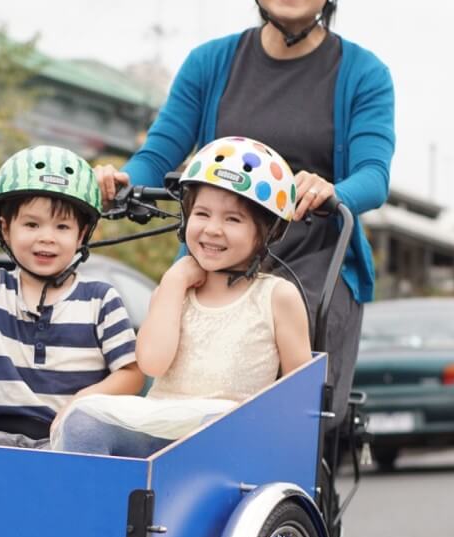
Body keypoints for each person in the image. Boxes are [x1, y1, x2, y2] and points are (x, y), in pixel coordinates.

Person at [94, 0, 395, 432]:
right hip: (214, 251)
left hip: (314, 261)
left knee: (296, 422)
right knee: (166, 394)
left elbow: (374, 175)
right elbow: (161, 152)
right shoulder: (211, 62)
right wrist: (120, 181)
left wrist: (333, 191)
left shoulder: (363, 73)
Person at [52, 138, 311, 457]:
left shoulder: (276, 296)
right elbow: (152, 363)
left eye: (233, 219)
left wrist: (254, 414)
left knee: (217, 422)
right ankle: (88, 503)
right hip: (160, 425)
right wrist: (175, 280)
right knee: (83, 420)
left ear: (268, 231)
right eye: (202, 213)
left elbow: (300, 394)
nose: (213, 229)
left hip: (228, 435)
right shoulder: (175, 288)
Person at [0, 146, 144, 448]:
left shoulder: (100, 299)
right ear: (6, 230)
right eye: (32, 224)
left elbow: (132, 373)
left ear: (82, 235)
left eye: (62, 227)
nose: (46, 236)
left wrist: (82, 403)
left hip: (72, 438)